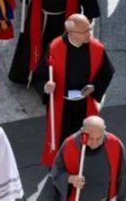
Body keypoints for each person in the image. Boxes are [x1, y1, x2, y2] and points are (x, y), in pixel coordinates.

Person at [36, 15, 116, 165]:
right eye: (85, 31)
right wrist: (46, 86)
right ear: (71, 33)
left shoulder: (97, 48)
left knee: (85, 137)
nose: (89, 34)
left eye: (89, 29)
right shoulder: (55, 47)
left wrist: (94, 87)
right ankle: (61, 168)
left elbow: (107, 72)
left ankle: (80, 163)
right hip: (62, 103)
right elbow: (40, 76)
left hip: (84, 102)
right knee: (61, 139)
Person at [48, 116, 126, 201]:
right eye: (90, 138)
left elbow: (122, 177)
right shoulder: (69, 145)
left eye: (98, 138)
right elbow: (56, 172)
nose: (94, 143)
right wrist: (71, 178)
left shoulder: (115, 144)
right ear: (82, 131)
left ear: (104, 130)